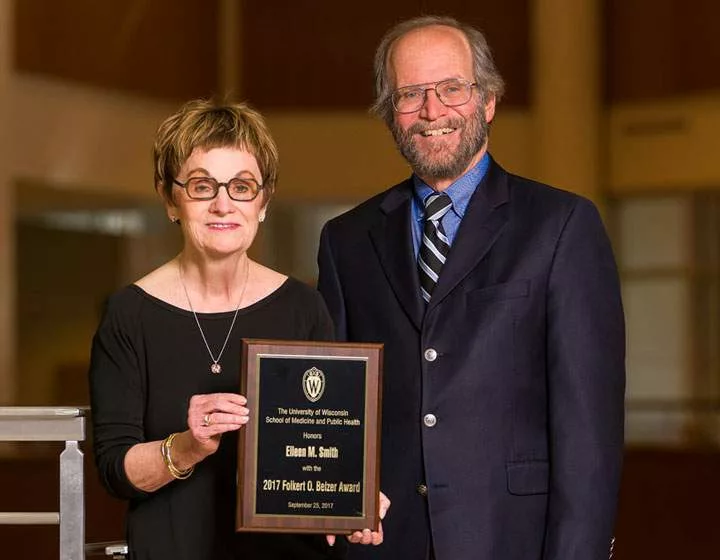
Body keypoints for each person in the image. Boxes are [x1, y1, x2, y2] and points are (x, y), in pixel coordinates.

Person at [317, 15, 625, 560]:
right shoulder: (346, 240)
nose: (432, 111)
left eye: (451, 88)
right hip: (385, 546)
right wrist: (340, 501)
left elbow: (589, 431)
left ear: (488, 101)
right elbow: (338, 413)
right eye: (410, 94)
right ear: (391, 113)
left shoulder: (561, 226)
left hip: (513, 541)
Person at [89, 99, 387, 560]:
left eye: (242, 187)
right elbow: (114, 471)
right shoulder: (129, 314)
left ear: (263, 202)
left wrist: (353, 500)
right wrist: (187, 448)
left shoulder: (304, 308)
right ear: (171, 199)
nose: (223, 203)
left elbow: (328, 439)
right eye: (203, 186)